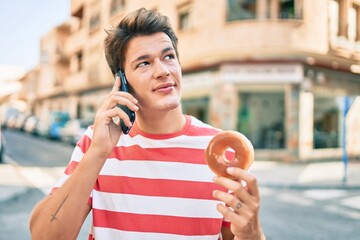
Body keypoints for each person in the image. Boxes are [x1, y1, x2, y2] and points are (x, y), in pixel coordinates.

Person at [30, 8, 266, 240]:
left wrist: (252, 234)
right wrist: (97, 154)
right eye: (143, 63)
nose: (162, 71)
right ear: (122, 82)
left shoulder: (219, 152)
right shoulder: (96, 144)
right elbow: (43, 236)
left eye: (168, 57)